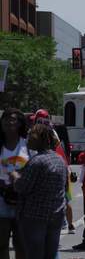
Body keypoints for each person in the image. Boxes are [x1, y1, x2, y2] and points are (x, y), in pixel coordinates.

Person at [10, 124, 68, 259]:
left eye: (30, 136)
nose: (27, 139)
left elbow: (22, 187)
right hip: (56, 214)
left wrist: (15, 176)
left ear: (38, 139)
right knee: (50, 254)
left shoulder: (36, 162)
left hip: (35, 216)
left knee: (35, 254)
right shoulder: (59, 160)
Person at [0, 109, 30, 259]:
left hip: (22, 201)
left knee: (22, 245)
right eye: (5, 119)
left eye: (12, 119)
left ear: (20, 123)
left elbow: (35, 170)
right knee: (2, 244)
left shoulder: (28, 145)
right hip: (1, 200)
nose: (8, 122)